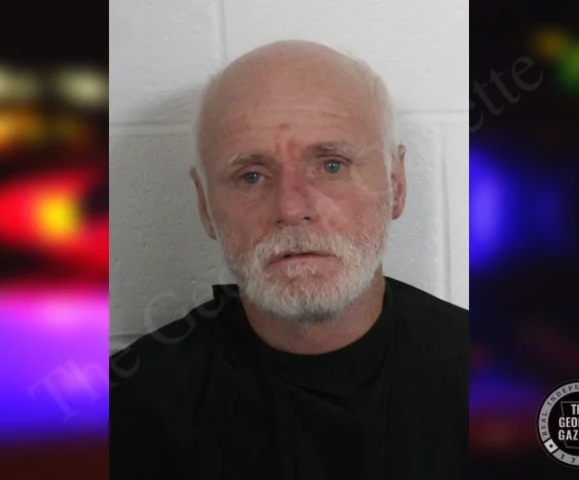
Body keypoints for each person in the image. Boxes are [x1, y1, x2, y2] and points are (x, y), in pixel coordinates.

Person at [110, 40, 468, 479]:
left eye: (332, 165)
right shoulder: (128, 410)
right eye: (251, 176)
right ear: (205, 205)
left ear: (396, 183)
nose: (292, 208)